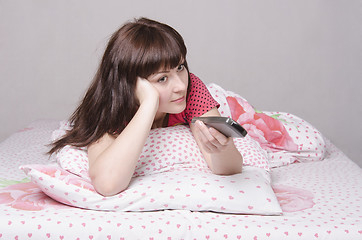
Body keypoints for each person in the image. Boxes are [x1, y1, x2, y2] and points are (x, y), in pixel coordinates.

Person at [49, 18, 243, 196]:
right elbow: (108, 184)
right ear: (131, 85)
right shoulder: (108, 108)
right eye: (162, 78)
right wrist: (148, 103)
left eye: (180, 68)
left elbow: (230, 168)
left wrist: (221, 149)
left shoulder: (192, 88)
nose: (181, 86)